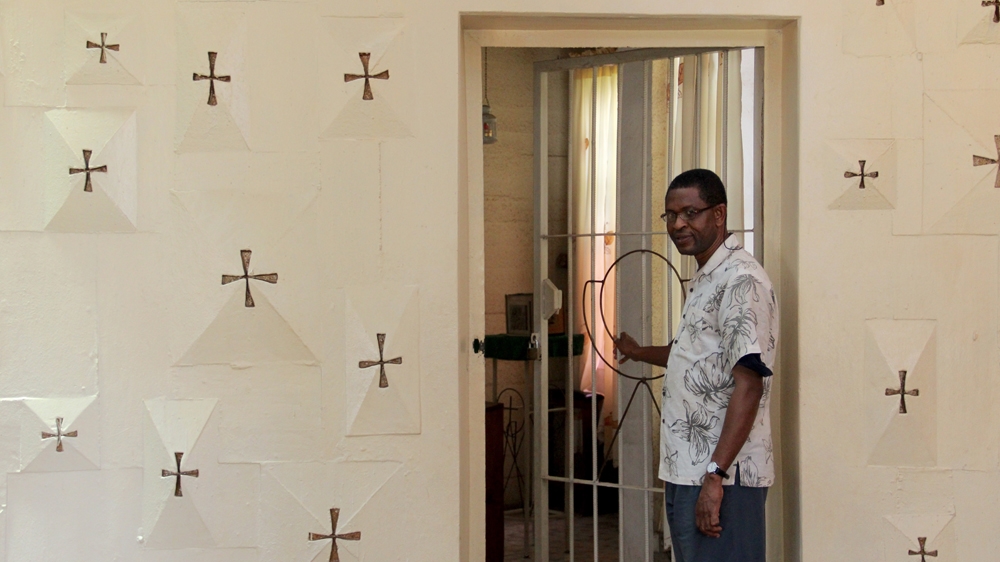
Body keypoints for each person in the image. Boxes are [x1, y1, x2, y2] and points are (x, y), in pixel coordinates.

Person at [614, 169, 778, 562]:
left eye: (691, 213)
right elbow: (694, 355)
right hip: (687, 469)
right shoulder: (709, 275)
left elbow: (749, 384)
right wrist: (639, 352)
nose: (678, 224)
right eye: (670, 215)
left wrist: (716, 476)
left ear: (719, 214)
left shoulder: (741, 281)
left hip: (724, 476)